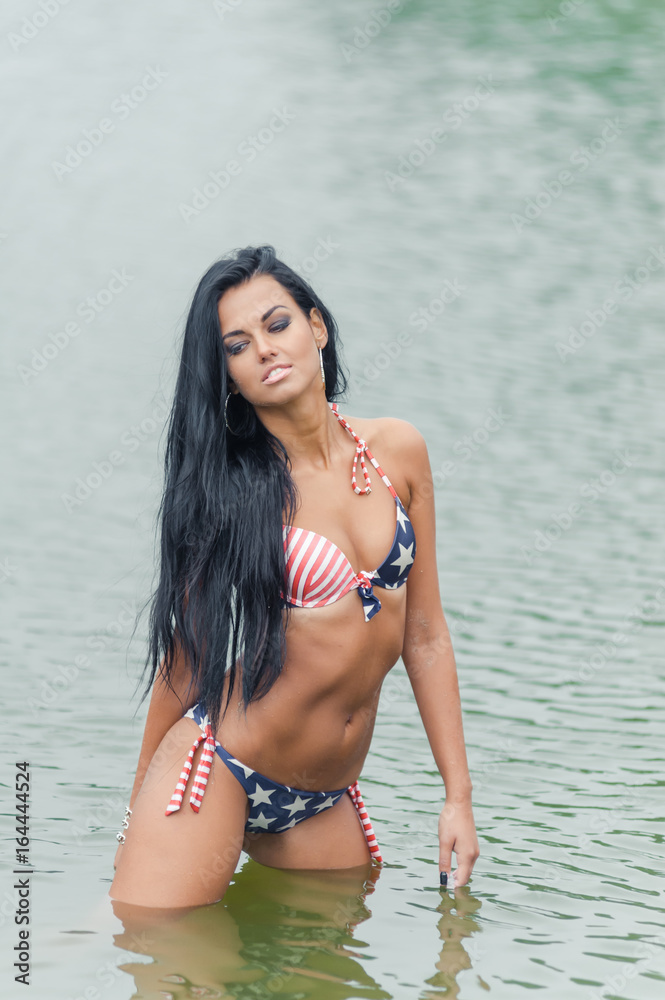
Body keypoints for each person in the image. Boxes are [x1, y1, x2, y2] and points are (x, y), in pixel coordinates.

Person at [109, 244, 479, 909]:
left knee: (327, 958)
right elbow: (189, 657)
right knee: (157, 948)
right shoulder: (227, 492)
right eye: (237, 345)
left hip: (323, 797)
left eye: (276, 324)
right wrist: (139, 802)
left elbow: (424, 633)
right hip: (216, 771)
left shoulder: (398, 452)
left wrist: (457, 796)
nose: (264, 349)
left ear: (317, 327)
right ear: (228, 375)